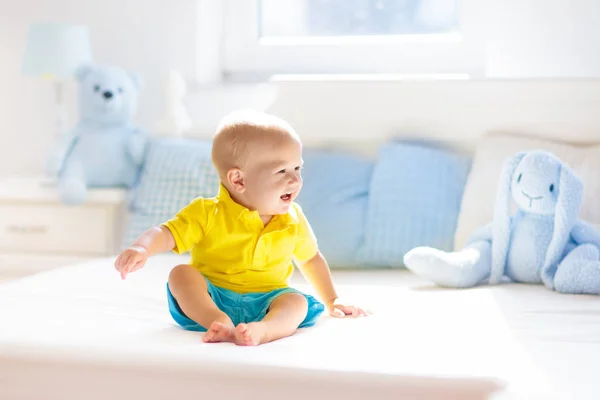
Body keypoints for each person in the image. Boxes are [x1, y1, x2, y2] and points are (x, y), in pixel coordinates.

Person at [115, 110, 369, 346]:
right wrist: (142, 247)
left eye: (297, 168)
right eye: (281, 171)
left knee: (296, 302)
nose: (295, 179)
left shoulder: (293, 218)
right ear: (238, 180)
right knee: (180, 274)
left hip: (268, 300)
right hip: (213, 296)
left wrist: (331, 300)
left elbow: (311, 259)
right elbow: (167, 233)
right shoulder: (208, 212)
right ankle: (216, 320)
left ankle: (265, 330)